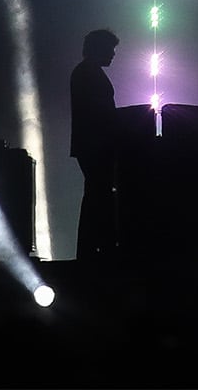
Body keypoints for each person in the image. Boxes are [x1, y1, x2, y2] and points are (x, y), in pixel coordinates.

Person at [69, 28, 119, 259]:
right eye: (110, 49)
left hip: (91, 144)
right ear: (99, 48)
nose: (113, 54)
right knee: (99, 194)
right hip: (95, 145)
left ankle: (91, 249)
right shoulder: (89, 73)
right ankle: (99, 247)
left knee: (95, 194)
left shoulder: (85, 71)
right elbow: (98, 112)